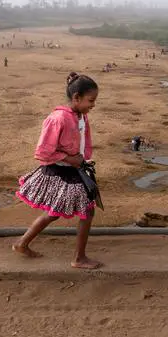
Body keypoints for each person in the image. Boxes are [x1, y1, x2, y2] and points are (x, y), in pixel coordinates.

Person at [13, 72, 101, 269]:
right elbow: (43, 152)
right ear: (76, 97)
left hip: (74, 170)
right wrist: (70, 159)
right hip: (61, 172)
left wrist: (83, 160)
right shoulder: (58, 118)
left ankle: (22, 243)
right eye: (91, 100)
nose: (93, 105)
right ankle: (79, 258)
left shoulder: (81, 116)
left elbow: (84, 142)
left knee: (56, 212)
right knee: (85, 212)